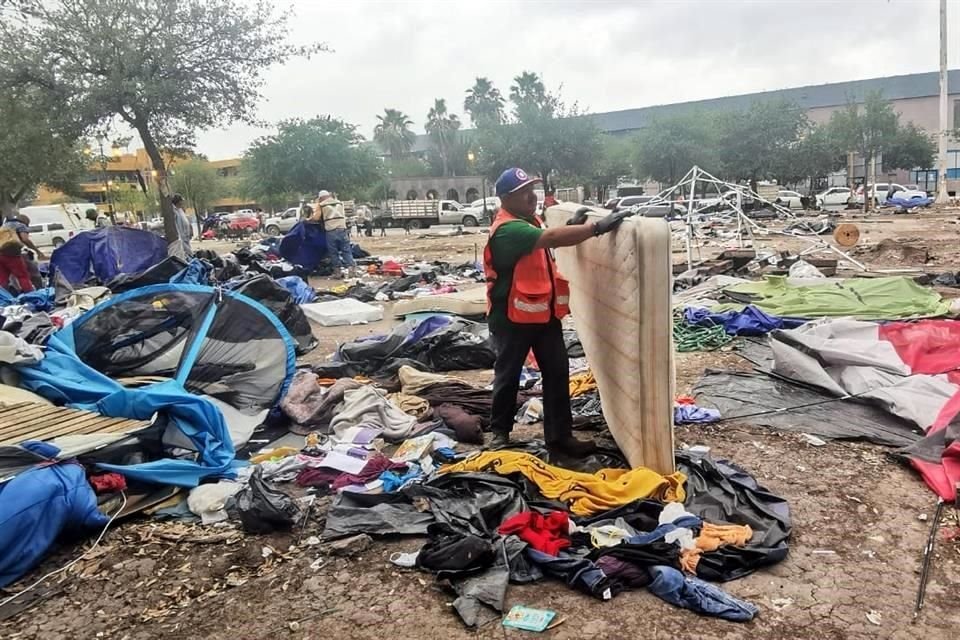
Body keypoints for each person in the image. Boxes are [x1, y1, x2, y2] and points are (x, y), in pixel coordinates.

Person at [484, 167, 628, 456]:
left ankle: (560, 437)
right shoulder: (508, 229)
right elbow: (549, 238)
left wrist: (573, 224)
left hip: (542, 314)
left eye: (532, 190)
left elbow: (543, 234)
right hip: (512, 316)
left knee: (557, 372)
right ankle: (499, 434)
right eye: (523, 193)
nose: (531, 196)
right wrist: (595, 228)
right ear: (505, 198)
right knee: (508, 374)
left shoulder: (528, 220)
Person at [313, 190, 355, 278]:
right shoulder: (339, 203)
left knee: (333, 252)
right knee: (346, 250)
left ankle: (338, 273)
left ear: (321, 198)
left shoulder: (322, 205)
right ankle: (352, 270)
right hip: (342, 229)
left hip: (331, 231)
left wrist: (317, 206)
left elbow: (316, 218)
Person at [0, 211, 44, 293]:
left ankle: (4, 298)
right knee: (23, 276)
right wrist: (37, 251)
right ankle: (31, 295)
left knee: (3, 278)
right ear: (25, 222)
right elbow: (25, 239)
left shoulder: (4, 226)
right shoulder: (21, 225)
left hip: (1, 255)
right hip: (12, 255)